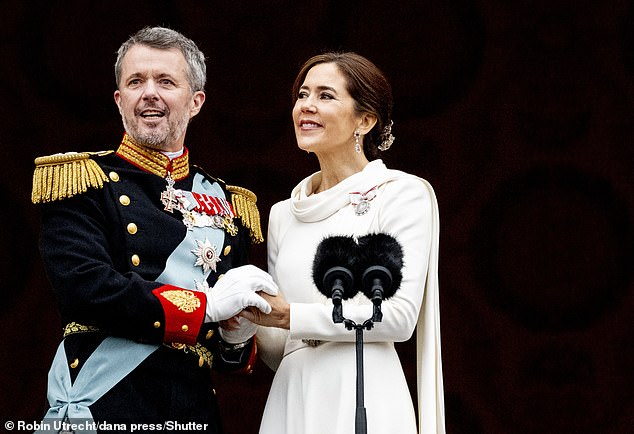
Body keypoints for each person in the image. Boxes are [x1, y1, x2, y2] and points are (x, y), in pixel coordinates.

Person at [31, 26, 277, 432]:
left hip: (191, 412)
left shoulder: (227, 201)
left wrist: (236, 335)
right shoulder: (82, 180)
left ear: (196, 101)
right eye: (135, 82)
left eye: (166, 81)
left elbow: (222, 355)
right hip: (105, 405)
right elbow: (86, 288)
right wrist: (205, 309)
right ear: (119, 99)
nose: (149, 92)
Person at [238, 52, 446, 434]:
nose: (307, 106)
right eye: (303, 95)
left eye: (326, 95)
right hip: (292, 393)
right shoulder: (285, 212)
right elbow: (280, 346)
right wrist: (242, 317)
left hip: (364, 390)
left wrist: (290, 315)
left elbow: (397, 317)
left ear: (365, 121)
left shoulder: (400, 195)